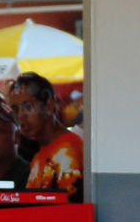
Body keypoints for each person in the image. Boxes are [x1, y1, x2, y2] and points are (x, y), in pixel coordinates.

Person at [8, 72, 84, 202]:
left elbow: (71, 215)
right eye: (15, 108)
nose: (20, 115)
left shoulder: (68, 151)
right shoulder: (41, 155)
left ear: (49, 106)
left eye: (28, 106)